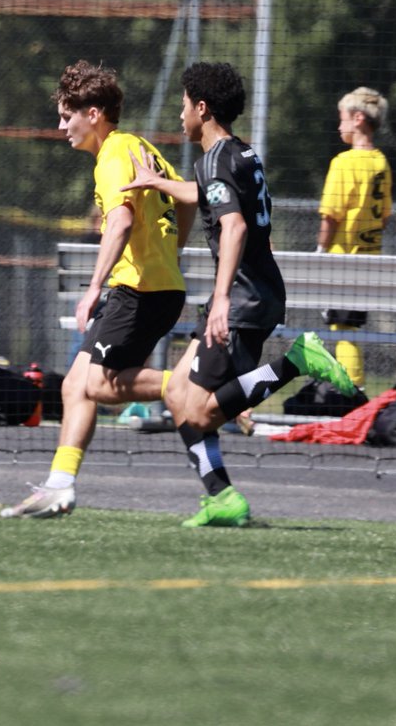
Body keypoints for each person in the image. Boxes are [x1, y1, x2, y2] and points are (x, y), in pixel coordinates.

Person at [121, 62, 354, 527]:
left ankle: (297, 361)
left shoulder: (214, 160)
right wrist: (157, 182)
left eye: (183, 105)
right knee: (179, 397)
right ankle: (220, 497)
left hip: (243, 298)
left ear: (202, 108)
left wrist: (222, 298)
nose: (179, 114)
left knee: (202, 413)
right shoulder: (239, 154)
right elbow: (212, 196)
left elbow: (234, 224)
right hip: (257, 289)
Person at [0, 60, 196, 519]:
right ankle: (59, 486)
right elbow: (187, 195)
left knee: (101, 385)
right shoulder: (141, 147)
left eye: (68, 115)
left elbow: (122, 221)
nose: (61, 125)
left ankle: (187, 386)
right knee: (74, 386)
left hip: (139, 291)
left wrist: (92, 289)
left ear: (94, 113)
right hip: (156, 286)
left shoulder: (112, 156)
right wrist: (172, 249)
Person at [316, 86, 393, 389]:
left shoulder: (344, 162)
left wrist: (321, 250)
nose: (339, 126)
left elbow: (331, 215)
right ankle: (351, 388)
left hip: (342, 259)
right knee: (352, 326)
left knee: (343, 328)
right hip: (369, 257)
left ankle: (351, 391)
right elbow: (385, 216)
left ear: (358, 118)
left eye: (343, 118)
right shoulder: (381, 163)